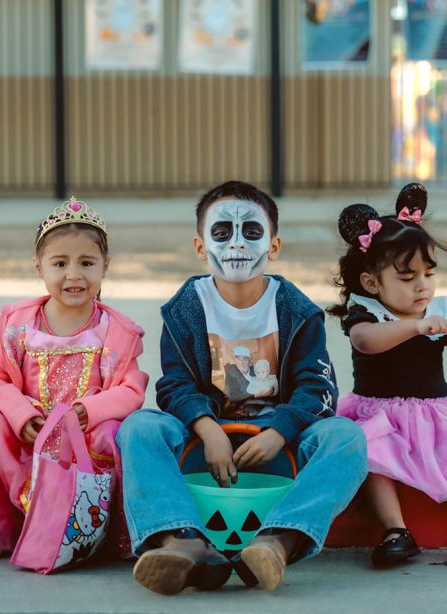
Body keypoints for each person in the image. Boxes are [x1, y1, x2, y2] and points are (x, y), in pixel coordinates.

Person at [117, 180, 368, 595]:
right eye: (221, 232)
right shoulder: (185, 308)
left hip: (275, 448)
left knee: (347, 438)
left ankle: (277, 543)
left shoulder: (297, 311)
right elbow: (174, 385)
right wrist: (207, 428)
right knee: (139, 428)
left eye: (251, 232)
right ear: (200, 247)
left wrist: (280, 431)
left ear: (273, 245)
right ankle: (179, 541)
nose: (236, 243)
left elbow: (318, 389)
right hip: (207, 448)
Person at [0, 197, 149, 566]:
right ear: (39, 267)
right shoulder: (19, 324)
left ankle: (102, 528)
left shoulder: (116, 331)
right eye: (60, 263)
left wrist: (91, 410)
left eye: (87, 263)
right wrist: (20, 414)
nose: (74, 274)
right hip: (30, 435)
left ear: (105, 267)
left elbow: (131, 389)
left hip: (83, 439)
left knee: (115, 435)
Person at [330, 183, 447, 572]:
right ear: (372, 283)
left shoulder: (441, 308)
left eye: (428, 273)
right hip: (377, 413)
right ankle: (395, 530)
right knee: (371, 457)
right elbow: (366, 342)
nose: (422, 285)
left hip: (434, 412)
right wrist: (416, 327)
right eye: (406, 277)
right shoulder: (366, 311)